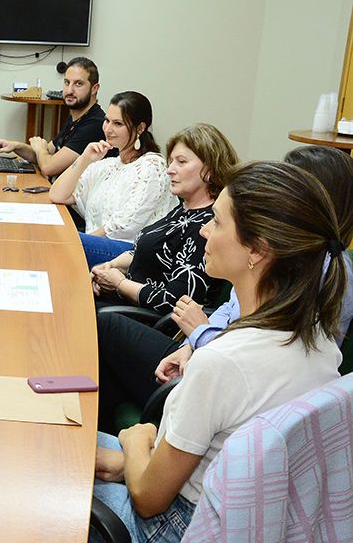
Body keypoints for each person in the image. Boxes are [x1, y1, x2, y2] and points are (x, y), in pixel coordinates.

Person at [91, 161, 346, 543]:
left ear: (257, 251)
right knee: (88, 452)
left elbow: (147, 500)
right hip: (243, 511)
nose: (205, 230)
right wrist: (133, 461)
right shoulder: (320, 339)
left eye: (218, 222)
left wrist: (134, 439)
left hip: (174, 526)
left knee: (47, 461)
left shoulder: (221, 361)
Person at [94, 144, 353, 433]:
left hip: (224, 372)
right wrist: (190, 345)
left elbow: (261, 366)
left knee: (103, 325)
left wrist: (201, 337)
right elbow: (230, 310)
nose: (207, 230)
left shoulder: (311, 269)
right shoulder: (278, 260)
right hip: (209, 353)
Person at [89, 124, 238, 313]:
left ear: (209, 169)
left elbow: (175, 302)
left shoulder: (207, 226)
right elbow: (144, 252)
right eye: (172, 161)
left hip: (145, 318)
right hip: (125, 300)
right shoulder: (183, 208)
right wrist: (109, 266)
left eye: (181, 162)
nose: (170, 170)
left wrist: (119, 283)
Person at [49, 91, 177, 268]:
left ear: (140, 128)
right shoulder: (106, 165)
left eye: (118, 124)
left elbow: (125, 226)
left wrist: (78, 241)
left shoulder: (152, 166)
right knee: (51, 236)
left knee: (58, 242)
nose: (108, 129)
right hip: (95, 244)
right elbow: (57, 195)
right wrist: (84, 158)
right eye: (107, 120)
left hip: (132, 254)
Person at [0, 56, 105, 178]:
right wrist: (16, 146)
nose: (69, 90)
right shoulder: (76, 117)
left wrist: (40, 149)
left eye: (78, 84)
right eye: (67, 82)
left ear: (94, 89)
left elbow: (48, 167)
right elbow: (45, 155)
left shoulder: (95, 124)